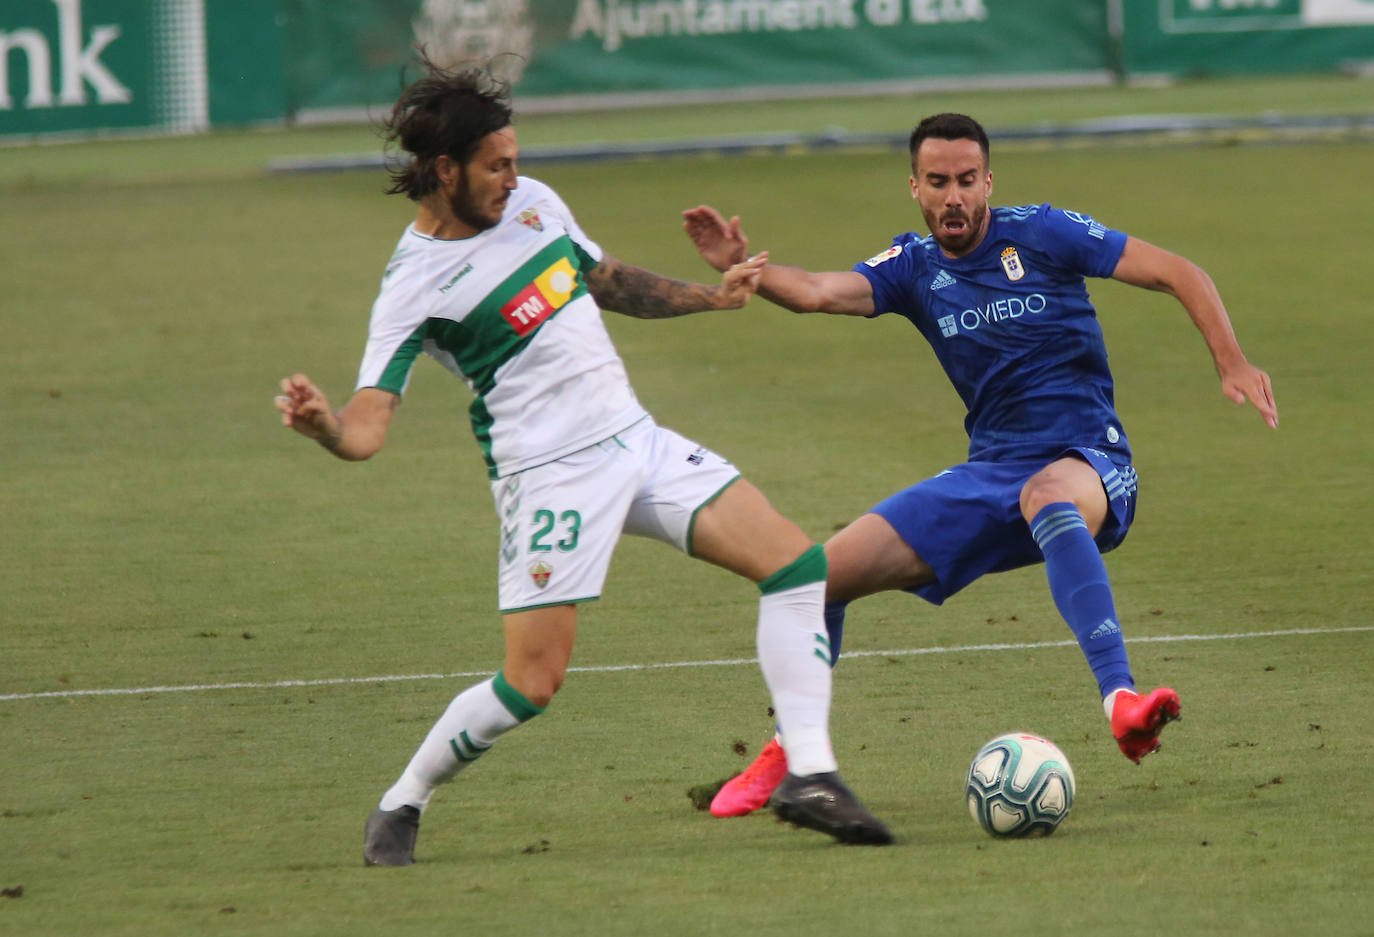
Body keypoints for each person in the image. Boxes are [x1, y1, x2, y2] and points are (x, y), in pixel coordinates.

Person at [274, 60, 893, 864]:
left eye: (514, 159)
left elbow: (603, 280)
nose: (513, 176)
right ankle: (403, 800)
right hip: (549, 479)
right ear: (443, 171)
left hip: (636, 439)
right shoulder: (411, 286)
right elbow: (367, 428)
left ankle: (811, 774)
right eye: (495, 165)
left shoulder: (534, 205)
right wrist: (325, 426)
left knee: (797, 566)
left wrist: (713, 297)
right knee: (531, 683)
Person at [683, 112, 1278, 819]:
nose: (954, 196)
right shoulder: (913, 268)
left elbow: (1179, 271)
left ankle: (1122, 699)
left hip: (1087, 460)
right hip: (988, 473)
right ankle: (790, 757)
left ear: (988, 180)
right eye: (938, 182)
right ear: (915, 187)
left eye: (967, 180)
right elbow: (816, 290)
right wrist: (742, 269)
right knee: (816, 578)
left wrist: (1231, 359)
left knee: (1048, 492)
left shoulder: (1043, 232)